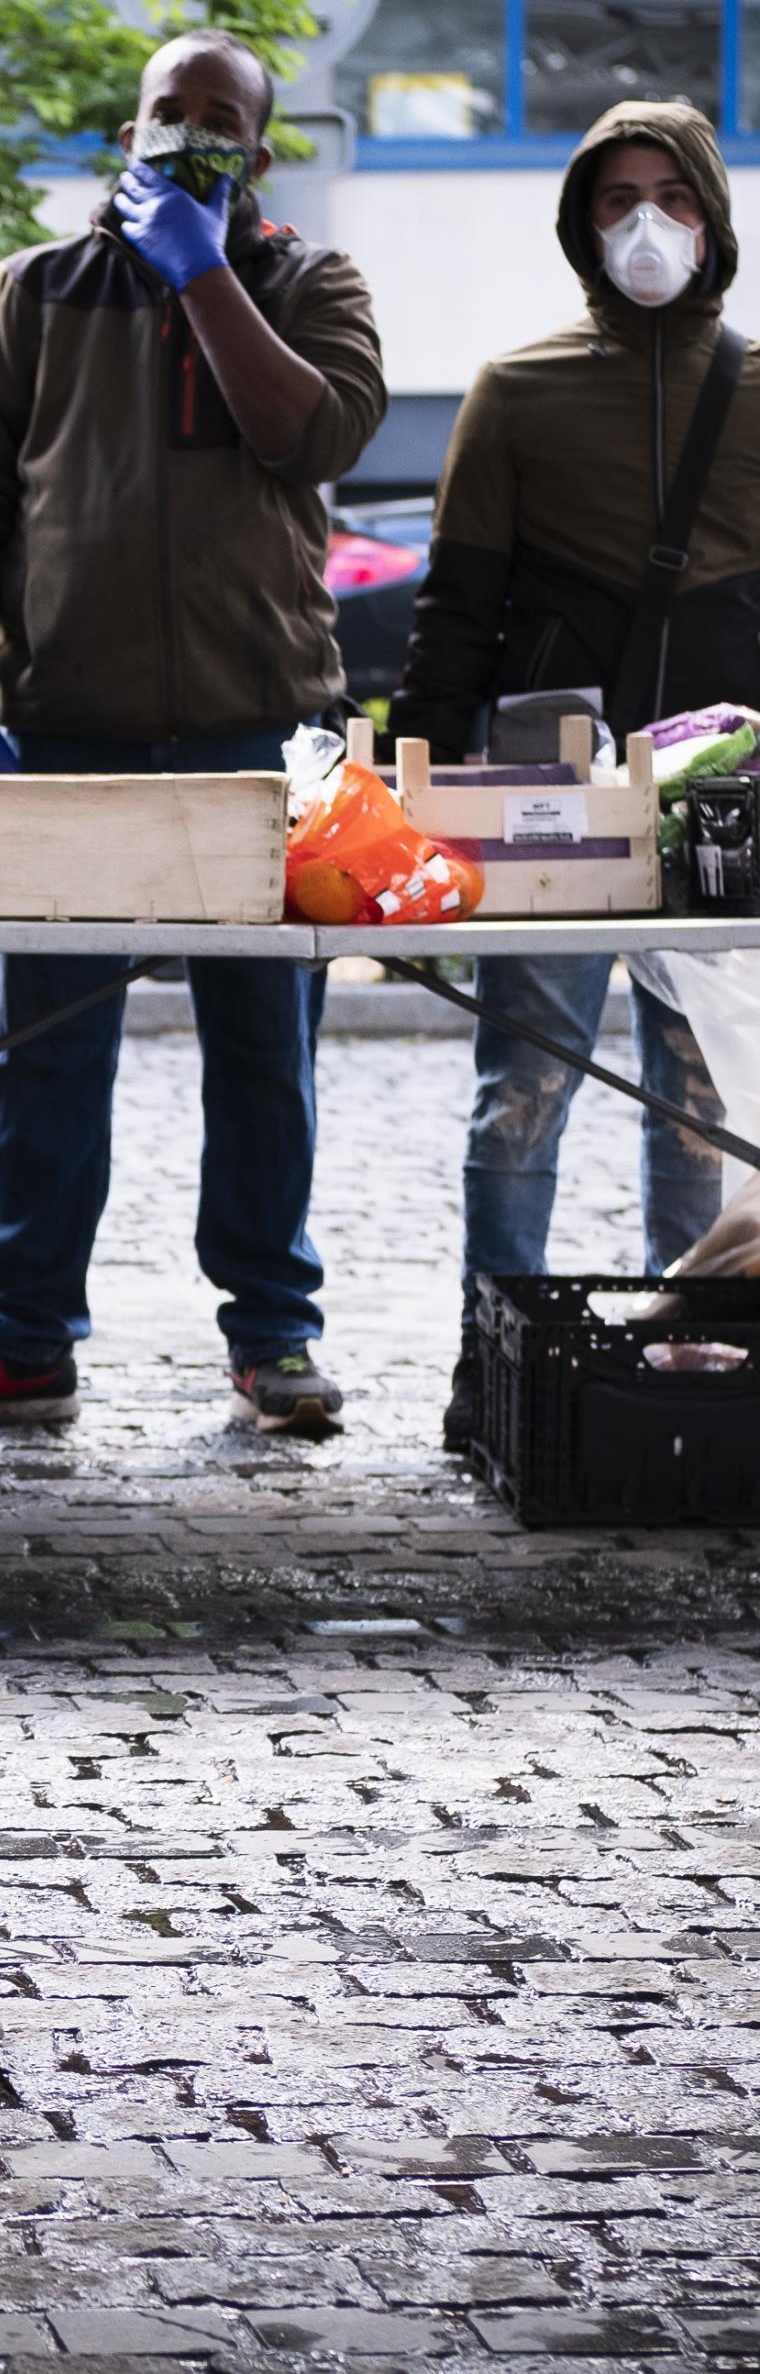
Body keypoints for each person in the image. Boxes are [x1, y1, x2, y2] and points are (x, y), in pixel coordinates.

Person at [0, 30, 387, 1442]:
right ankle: (23, 1333)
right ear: (126, 130)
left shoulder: (312, 286)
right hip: (72, 728)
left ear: (263, 151)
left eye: (220, 119)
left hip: (271, 723)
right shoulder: (34, 295)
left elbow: (314, 434)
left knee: (266, 1050)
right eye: (167, 115)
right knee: (50, 1045)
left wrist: (206, 272)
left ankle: (275, 1334)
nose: (187, 136)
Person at [391, 102, 743, 1449]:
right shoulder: (516, 390)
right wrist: (408, 796)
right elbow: (455, 610)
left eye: (670, 194)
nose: (645, 222)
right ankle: (500, 1370)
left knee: (703, 1098)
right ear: (579, 222)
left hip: (725, 810)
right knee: (523, 1091)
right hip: (545, 805)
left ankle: (704, 1363)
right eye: (615, 198)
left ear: (711, 212)